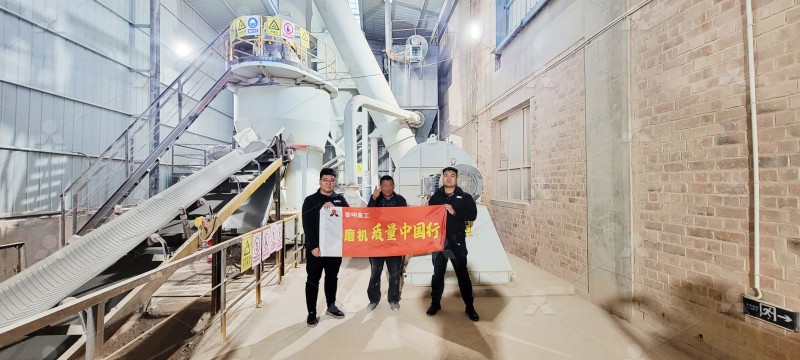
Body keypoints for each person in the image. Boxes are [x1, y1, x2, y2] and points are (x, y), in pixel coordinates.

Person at [426, 166, 479, 321]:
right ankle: (435, 303)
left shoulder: (465, 197)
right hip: (439, 243)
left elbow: (472, 215)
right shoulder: (435, 197)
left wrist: (455, 212)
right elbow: (428, 217)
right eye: (446, 175)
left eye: (452, 175)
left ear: (456, 178)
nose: (448, 178)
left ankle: (470, 307)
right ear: (442, 178)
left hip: (457, 243)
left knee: (462, 275)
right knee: (437, 275)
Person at [302, 168, 349, 327]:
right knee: (313, 280)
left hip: (334, 249)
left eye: (331, 180)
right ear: (320, 181)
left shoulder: (340, 199)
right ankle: (311, 312)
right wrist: (314, 246)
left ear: (334, 182)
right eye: (325, 180)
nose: (329, 183)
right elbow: (307, 225)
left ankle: (331, 305)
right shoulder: (310, 200)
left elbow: (349, 218)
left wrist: (337, 208)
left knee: (332, 277)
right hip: (316, 250)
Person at [366, 175, 408, 311]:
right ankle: (373, 299)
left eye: (390, 185)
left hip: (394, 243)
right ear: (380, 187)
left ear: (393, 186)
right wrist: (373, 198)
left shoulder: (400, 200)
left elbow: (406, 219)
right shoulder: (375, 199)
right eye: (384, 186)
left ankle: (394, 299)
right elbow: (368, 215)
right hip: (377, 243)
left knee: (395, 273)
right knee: (375, 273)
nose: (387, 188)